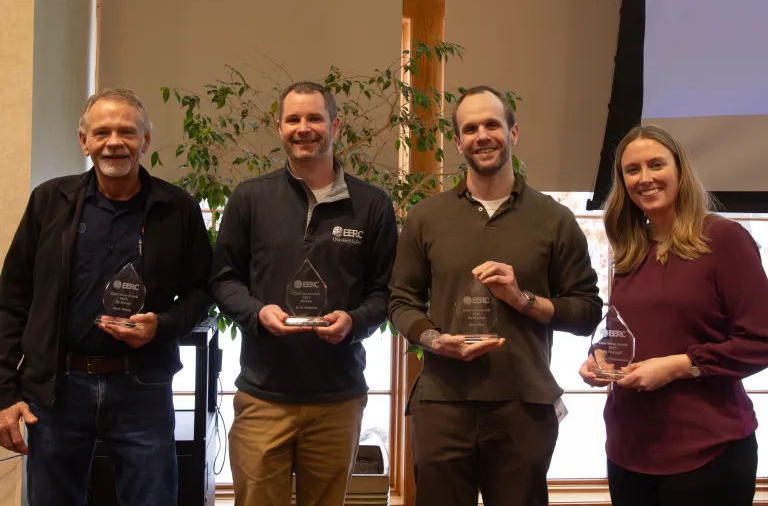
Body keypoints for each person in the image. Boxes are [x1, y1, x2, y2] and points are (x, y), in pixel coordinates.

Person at [388, 85, 602, 506]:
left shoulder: (554, 220)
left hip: (524, 404)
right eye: (470, 128)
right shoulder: (425, 218)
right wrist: (434, 339)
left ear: (514, 133)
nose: (482, 135)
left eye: (492, 124)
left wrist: (522, 298)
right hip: (442, 402)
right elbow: (400, 302)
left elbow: (586, 312)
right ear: (458, 141)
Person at [0, 88, 213, 505]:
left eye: (127, 132)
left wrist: (162, 326)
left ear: (145, 141)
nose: (114, 142)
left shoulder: (178, 207)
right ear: (84, 141)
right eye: (102, 132)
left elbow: (203, 291)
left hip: (143, 385)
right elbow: (12, 299)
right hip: (58, 388)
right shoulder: (50, 201)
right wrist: (6, 393)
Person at [210, 81, 398, 506]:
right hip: (262, 397)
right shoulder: (249, 198)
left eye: (315, 117)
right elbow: (223, 279)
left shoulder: (372, 205)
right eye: (293, 119)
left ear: (335, 124)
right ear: (279, 127)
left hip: (338, 399)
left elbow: (385, 293)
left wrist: (355, 322)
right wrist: (257, 313)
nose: (304, 127)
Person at [579, 125, 768, 506]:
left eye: (656, 165)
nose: (645, 178)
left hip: (706, 451)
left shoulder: (725, 240)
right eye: (632, 170)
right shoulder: (632, 250)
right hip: (629, 450)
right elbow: (630, 330)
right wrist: (600, 356)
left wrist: (680, 365)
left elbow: (761, 341)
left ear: (680, 171)